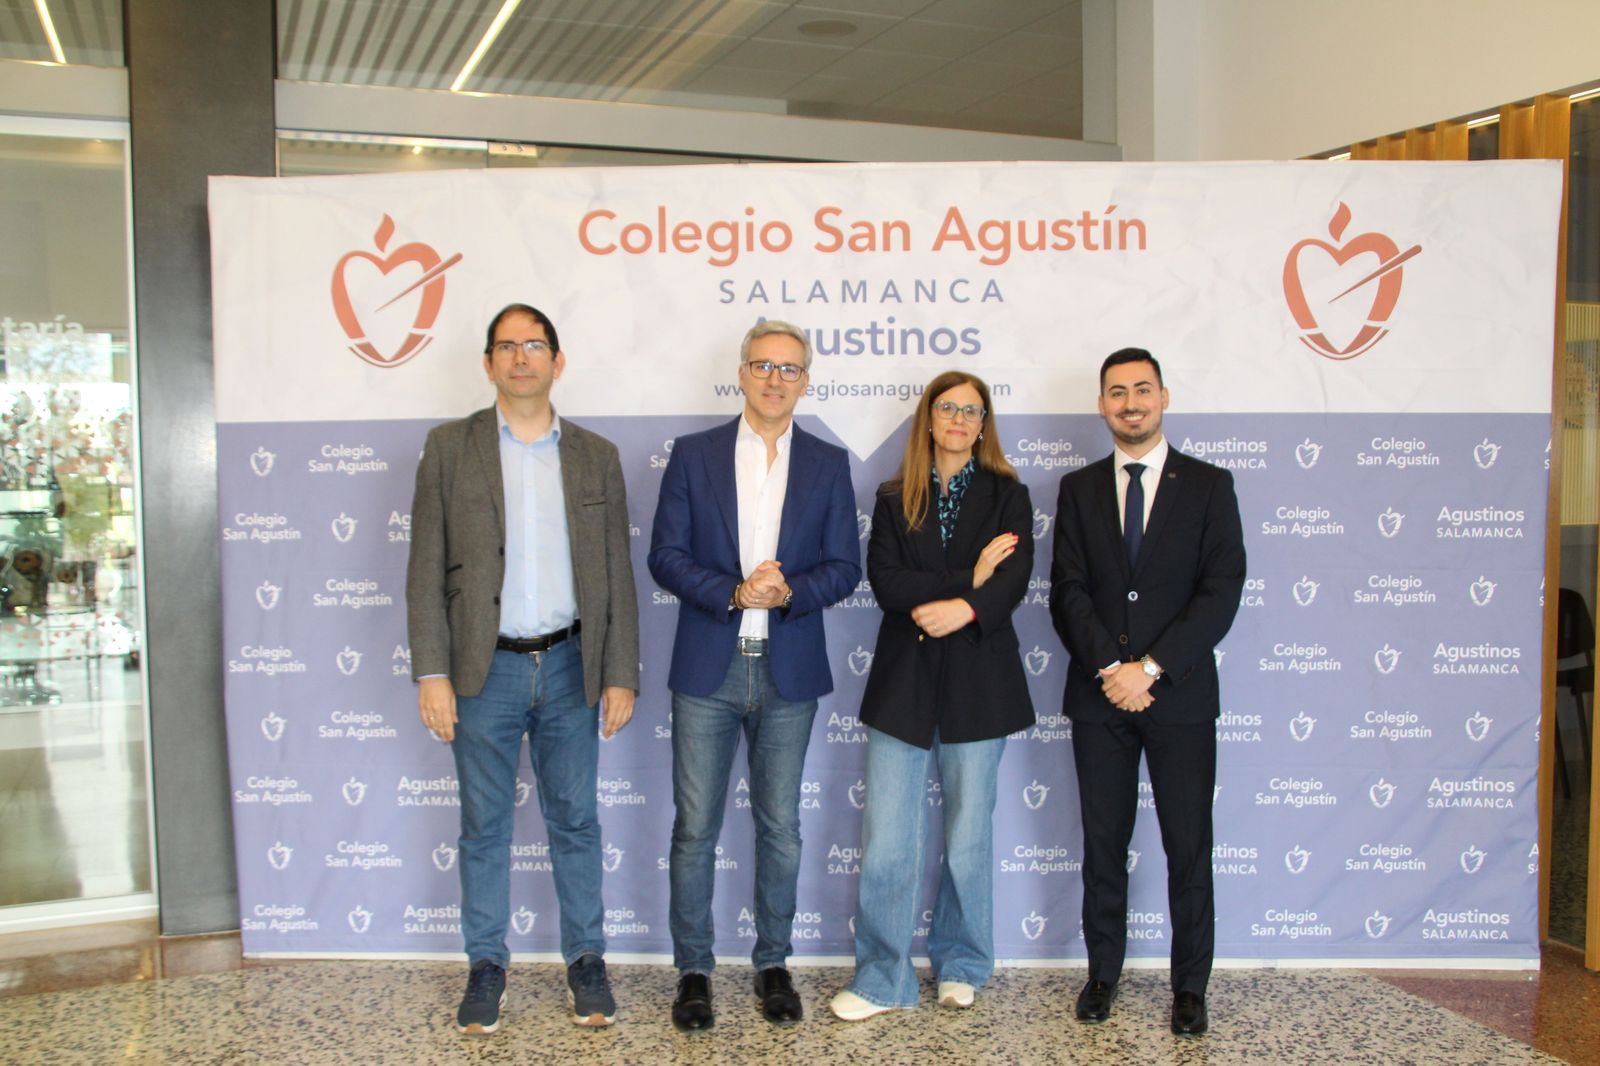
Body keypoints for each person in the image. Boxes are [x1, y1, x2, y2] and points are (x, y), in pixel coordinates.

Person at [406, 303, 640, 1035]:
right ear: (488, 364)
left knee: (576, 822)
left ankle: (587, 962)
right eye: (506, 347)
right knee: (483, 829)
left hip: (573, 665)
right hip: (484, 672)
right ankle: (486, 967)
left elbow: (617, 575)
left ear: (557, 361)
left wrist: (620, 671)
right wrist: (431, 672)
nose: (520, 358)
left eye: (534, 345)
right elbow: (421, 572)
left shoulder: (596, 455)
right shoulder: (449, 448)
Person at [647, 319, 860, 1031]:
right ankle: (694, 972)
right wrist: (735, 593)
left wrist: (786, 591)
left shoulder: (830, 464)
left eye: (790, 368)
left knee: (781, 829)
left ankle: (774, 964)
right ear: (740, 373)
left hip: (787, 668)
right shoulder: (694, 455)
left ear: (806, 381)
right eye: (763, 365)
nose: (776, 378)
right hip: (709, 665)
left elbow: (844, 569)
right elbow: (666, 556)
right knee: (694, 830)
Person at [1049, 347, 1245, 1036]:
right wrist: (1112, 668)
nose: (1130, 403)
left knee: (1188, 847)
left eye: (1141, 390)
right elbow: (1067, 592)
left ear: (1164, 396)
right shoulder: (1076, 490)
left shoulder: (1211, 486)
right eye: (1116, 392)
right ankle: (1103, 974)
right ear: (1101, 405)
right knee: (1104, 844)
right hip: (1100, 696)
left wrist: (1151, 668)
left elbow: (1221, 593)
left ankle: (1190, 987)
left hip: (1180, 696)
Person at [828, 371, 1035, 1021]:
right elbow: (888, 584)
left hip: (981, 680)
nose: (959, 419)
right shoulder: (895, 497)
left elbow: (1014, 580)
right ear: (928, 416)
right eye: (948, 407)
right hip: (904, 685)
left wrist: (966, 609)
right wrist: (965, 583)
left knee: (968, 835)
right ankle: (881, 978)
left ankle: (963, 963)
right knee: (887, 837)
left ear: (984, 423)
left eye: (972, 410)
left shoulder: (1010, 494)